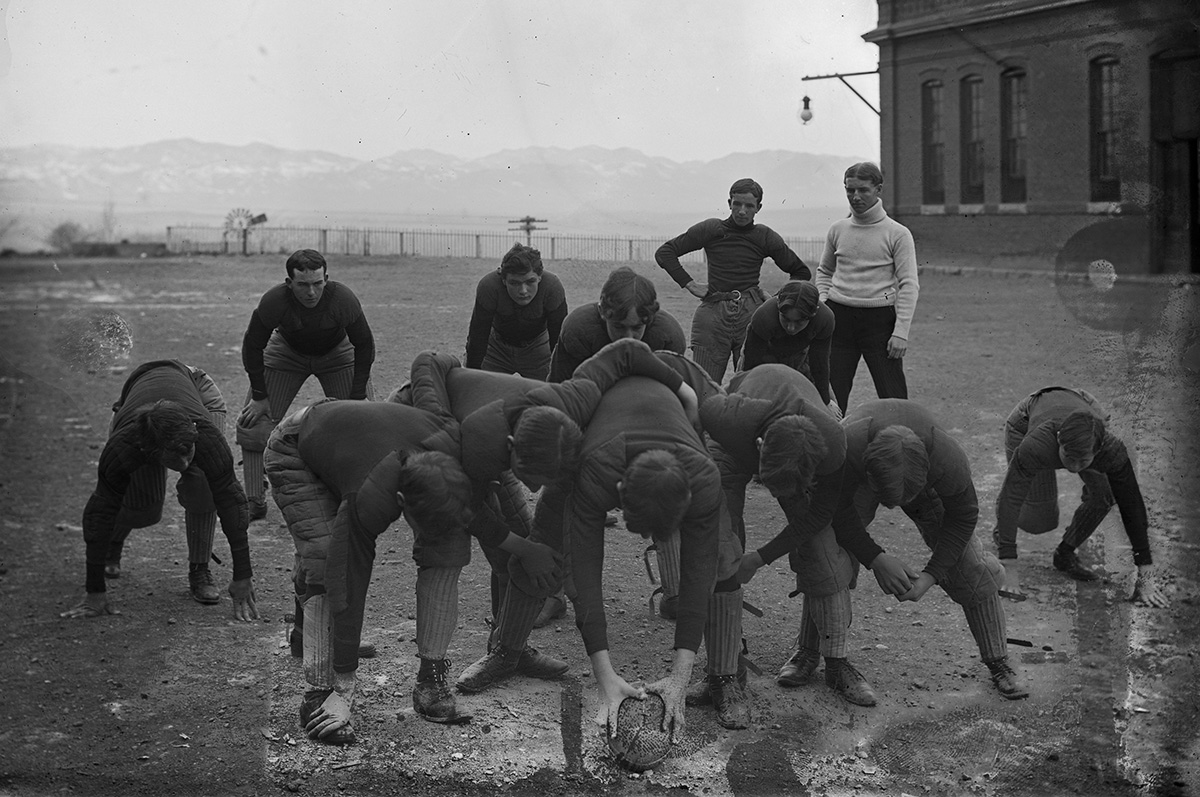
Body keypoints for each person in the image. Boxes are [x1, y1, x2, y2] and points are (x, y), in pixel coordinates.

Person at [399, 338, 699, 699]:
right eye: (532, 478)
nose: (536, 488)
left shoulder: (571, 411)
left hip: (500, 446)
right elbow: (466, 511)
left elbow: (627, 350)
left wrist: (687, 394)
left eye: (546, 479)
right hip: (437, 457)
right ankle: (445, 673)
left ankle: (510, 650)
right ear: (513, 450)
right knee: (467, 549)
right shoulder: (478, 444)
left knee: (529, 554)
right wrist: (523, 547)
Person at [264, 397, 565, 740]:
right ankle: (320, 693)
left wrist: (524, 548)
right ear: (400, 504)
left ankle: (430, 680)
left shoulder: (453, 460)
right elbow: (346, 577)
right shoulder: (370, 497)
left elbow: (470, 513)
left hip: (363, 436)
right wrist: (345, 686)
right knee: (321, 557)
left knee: (448, 546)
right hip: (299, 446)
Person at [460, 374, 727, 740]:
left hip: (655, 432)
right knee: (544, 555)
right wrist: (606, 678)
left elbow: (698, 574)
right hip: (589, 446)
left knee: (721, 563)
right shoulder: (595, 472)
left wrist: (680, 678)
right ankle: (507, 652)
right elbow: (585, 576)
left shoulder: (705, 481)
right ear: (616, 494)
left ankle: (724, 675)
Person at [684, 360, 875, 709]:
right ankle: (724, 675)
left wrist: (759, 557)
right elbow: (690, 417)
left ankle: (829, 659)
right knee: (719, 547)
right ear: (758, 448)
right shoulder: (725, 417)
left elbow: (819, 514)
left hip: (793, 446)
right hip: (731, 445)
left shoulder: (832, 444)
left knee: (822, 552)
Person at [833, 398, 1028, 699]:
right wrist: (875, 558)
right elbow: (834, 511)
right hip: (856, 472)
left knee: (969, 567)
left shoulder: (947, 460)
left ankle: (998, 659)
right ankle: (817, 653)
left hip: (915, 474)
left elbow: (963, 517)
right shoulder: (847, 446)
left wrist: (931, 576)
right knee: (829, 556)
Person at [61, 359, 257, 620]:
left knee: (203, 486)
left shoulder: (205, 437)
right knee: (144, 509)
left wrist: (243, 575)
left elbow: (232, 502)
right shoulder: (124, 448)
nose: (185, 465)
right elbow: (100, 511)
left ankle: (199, 568)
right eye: (177, 461)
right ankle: (114, 541)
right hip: (137, 409)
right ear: (148, 452)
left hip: (196, 390)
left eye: (188, 453)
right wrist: (94, 592)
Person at [547, 265, 688, 622]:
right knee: (559, 497)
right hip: (590, 415)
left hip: (645, 418)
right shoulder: (578, 330)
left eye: (637, 328)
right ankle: (551, 591)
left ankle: (676, 591)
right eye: (618, 327)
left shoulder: (667, 336)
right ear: (601, 312)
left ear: (651, 322)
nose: (628, 336)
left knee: (663, 485)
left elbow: (672, 403)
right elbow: (560, 394)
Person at [993, 386, 1168, 607]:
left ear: (1098, 450)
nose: (1075, 469)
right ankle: (1003, 526)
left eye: (1083, 461)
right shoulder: (1036, 446)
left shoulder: (1110, 450)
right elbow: (1012, 498)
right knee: (1038, 522)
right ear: (1059, 441)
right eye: (1069, 458)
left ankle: (1065, 553)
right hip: (1030, 416)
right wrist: (1009, 566)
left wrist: (1146, 576)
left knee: (1106, 494)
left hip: (1084, 405)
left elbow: (1131, 505)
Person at [237, 249, 376, 521]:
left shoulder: (343, 299)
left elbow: (364, 345)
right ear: (289, 283)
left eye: (317, 283)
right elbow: (253, 345)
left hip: (337, 354)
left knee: (362, 423)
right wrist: (259, 396)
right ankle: (254, 498)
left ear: (327, 279)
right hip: (287, 352)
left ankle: (360, 494)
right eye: (302, 285)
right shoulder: (274, 301)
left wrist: (358, 396)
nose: (311, 292)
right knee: (253, 422)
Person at [655, 177, 811, 384]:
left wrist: (777, 300)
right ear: (729, 203)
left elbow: (800, 272)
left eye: (749, 206)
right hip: (712, 314)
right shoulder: (712, 229)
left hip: (751, 315)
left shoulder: (764, 236)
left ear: (759, 208)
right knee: (702, 386)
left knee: (751, 384)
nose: (742, 211)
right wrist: (690, 284)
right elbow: (665, 252)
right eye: (737, 204)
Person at [815, 162, 919, 415]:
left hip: (879, 322)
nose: (855, 197)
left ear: (878, 189)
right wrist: (824, 302)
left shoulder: (898, 233)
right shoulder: (838, 229)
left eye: (863, 190)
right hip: (839, 320)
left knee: (894, 399)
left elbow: (909, 284)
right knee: (831, 399)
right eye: (849, 190)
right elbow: (824, 272)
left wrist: (901, 332)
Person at [465, 242, 568, 380]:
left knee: (550, 394)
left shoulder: (552, 287)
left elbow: (559, 341)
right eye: (514, 283)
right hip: (496, 349)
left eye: (530, 281)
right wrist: (472, 379)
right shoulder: (489, 287)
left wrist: (560, 380)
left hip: (538, 348)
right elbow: (477, 336)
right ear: (503, 280)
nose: (523, 291)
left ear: (540, 277)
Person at [740, 280, 837, 409]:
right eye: (785, 319)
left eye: (799, 322)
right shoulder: (763, 317)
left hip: (801, 356)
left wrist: (825, 402)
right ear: (778, 306)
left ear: (814, 313)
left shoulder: (824, 319)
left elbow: (819, 364)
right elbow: (751, 368)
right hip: (765, 356)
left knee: (830, 410)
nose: (791, 328)